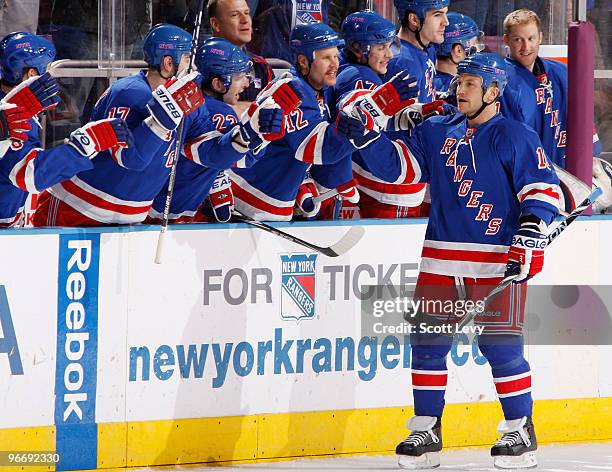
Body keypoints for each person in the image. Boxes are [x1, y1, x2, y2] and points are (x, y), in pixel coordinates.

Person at [342, 52, 560, 469]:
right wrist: (367, 138)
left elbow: (542, 190)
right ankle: (426, 428)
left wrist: (530, 233)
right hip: (442, 257)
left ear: (493, 92)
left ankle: (521, 428)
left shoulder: (515, 136)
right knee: (427, 345)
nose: (459, 89)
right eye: (459, 81)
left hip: (497, 260)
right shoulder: (436, 129)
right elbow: (401, 171)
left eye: (470, 83)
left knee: (500, 345)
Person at [230, 22, 418, 221]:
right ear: (303, 61)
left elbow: (289, 148)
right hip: (247, 202)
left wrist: (411, 116)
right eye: (326, 58)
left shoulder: (323, 90)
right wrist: (377, 105)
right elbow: (317, 148)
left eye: (336, 56)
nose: (335, 64)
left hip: (272, 204)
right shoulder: (290, 92)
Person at [33, 24, 208, 226]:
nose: (193, 69)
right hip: (78, 205)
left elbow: (207, 151)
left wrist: (243, 137)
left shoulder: (188, 102)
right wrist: (163, 118)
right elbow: (129, 157)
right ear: (169, 63)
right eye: (188, 60)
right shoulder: (130, 92)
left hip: (129, 217)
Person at [147, 37, 301, 223]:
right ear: (218, 84)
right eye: (239, 77)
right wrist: (258, 128)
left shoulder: (194, 100)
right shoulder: (220, 112)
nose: (247, 84)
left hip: (154, 205)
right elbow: (237, 158)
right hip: (166, 215)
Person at [0, 32, 130, 227]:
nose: (51, 77)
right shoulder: (14, 118)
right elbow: (31, 174)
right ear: (31, 74)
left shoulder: (14, 109)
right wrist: (84, 145)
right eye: (47, 69)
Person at [320, 10, 429, 219]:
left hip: (354, 181)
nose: (389, 54)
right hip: (376, 188)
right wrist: (381, 100)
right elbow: (352, 111)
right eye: (381, 48)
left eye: (389, 46)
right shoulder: (360, 75)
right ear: (357, 47)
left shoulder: (350, 66)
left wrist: (418, 112)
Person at [500, 8, 600, 168]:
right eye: (518, 39)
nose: (526, 47)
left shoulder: (562, 72)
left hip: (564, 169)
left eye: (531, 38)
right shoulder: (501, 80)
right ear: (506, 40)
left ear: (540, 37)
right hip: (526, 175)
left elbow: (583, 119)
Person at [207, 0, 274, 107]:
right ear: (215, 24)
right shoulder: (197, 66)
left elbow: (274, 110)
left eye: (247, 13)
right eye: (235, 15)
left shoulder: (261, 67)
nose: (245, 20)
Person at [385, 0, 450, 103]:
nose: (446, 22)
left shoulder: (427, 48)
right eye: (437, 15)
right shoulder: (403, 63)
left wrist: (445, 97)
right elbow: (407, 117)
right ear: (414, 19)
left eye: (445, 13)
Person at [434, 11, 483, 93]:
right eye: (474, 43)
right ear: (458, 51)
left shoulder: (428, 78)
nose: (478, 49)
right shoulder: (459, 89)